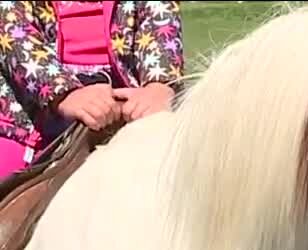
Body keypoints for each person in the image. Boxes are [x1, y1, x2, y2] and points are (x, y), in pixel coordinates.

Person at [0, 1, 184, 180]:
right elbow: (14, 34)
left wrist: (159, 85)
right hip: (28, 120)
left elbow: (160, 21)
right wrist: (64, 93)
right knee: (7, 177)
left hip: (129, 107)